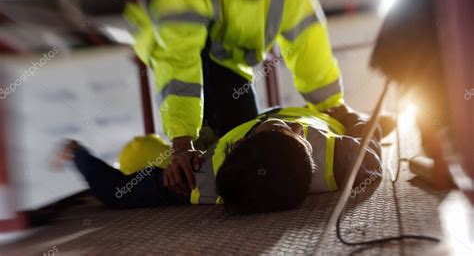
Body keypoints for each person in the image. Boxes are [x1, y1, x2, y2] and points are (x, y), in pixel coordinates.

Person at [125, 0, 392, 198]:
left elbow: (307, 38)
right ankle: (186, 145)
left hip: (228, 57)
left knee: (250, 144)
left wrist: (334, 106)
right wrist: (182, 144)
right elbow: (178, 60)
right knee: (217, 158)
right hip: (173, 46)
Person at [57, 107, 382, 214]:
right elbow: (373, 147)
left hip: (213, 142)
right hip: (322, 115)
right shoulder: (340, 156)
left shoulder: (202, 180)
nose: (292, 126)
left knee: (128, 189)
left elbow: (116, 191)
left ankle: (73, 149)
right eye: (285, 129)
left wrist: (79, 157)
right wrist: (352, 119)